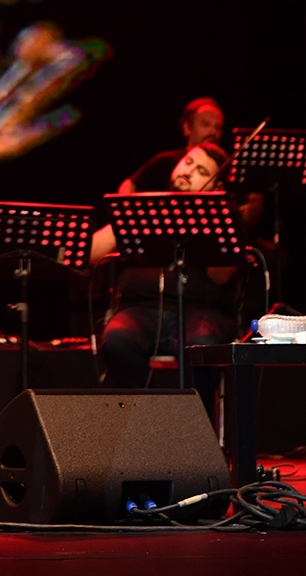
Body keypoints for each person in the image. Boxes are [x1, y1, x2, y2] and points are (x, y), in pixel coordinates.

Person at [92, 143, 241, 411]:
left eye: (201, 171)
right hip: (139, 309)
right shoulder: (144, 207)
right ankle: (144, 418)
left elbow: (221, 275)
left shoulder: (223, 215)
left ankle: (195, 423)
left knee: (203, 344)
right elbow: (92, 252)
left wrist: (207, 215)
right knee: (117, 340)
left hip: (201, 311)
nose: (189, 171)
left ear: (216, 185)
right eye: (188, 162)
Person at [117, 97, 225, 193]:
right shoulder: (166, 161)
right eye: (206, 124)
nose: (213, 132)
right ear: (187, 128)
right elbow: (129, 185)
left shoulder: (225, 168)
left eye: (218, 127)